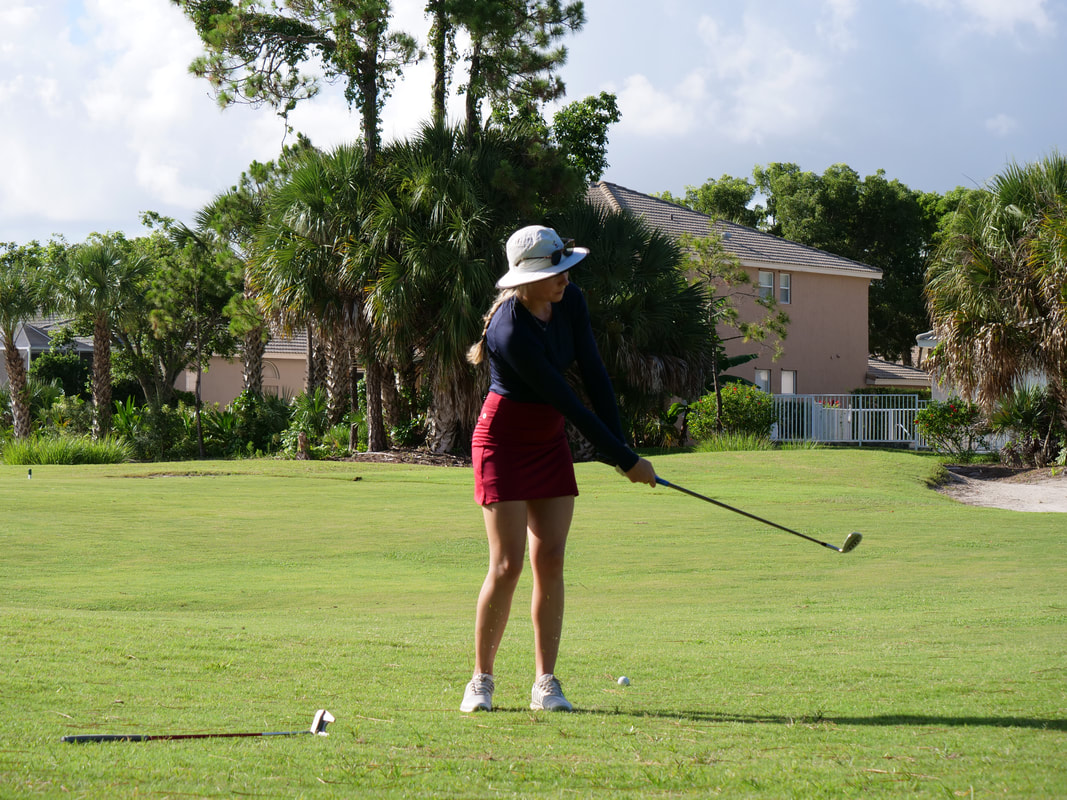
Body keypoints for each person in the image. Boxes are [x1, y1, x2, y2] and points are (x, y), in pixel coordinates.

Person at [461, 225, 657, 713]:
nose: (564, 279)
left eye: (565, 269)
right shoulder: (508, 330)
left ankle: (545, 683)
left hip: (547, 440)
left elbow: (593, 374)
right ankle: (480, 681)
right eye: (554, 272)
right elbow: (566, 399)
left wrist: (623, 449)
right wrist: (624, 459)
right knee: (506, 565)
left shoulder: (571, 302)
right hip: (502, 440)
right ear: (524, 280)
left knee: (550, 561)